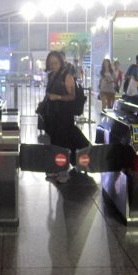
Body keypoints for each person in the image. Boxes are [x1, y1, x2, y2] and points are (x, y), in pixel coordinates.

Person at [42, 50, 90, 183]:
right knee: (56, 142)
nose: (53, 65)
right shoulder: (51, 76)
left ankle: (63, 170)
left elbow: (72, 96)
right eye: (50, 63)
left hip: (64, 114)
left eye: (55, 62)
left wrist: (57, 97)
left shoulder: (66, 75)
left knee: (62, 142)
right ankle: (57, 167)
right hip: (53, 115)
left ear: (60, 62)